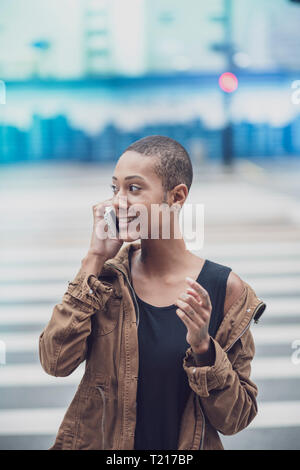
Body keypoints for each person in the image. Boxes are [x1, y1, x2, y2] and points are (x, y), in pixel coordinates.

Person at [39, 135, 266, 450]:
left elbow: (236, 419)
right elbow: (55, 361)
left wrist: (203, 348)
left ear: (176, 196)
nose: (119, 201)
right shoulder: (104, 278)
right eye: (114, 188)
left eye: (134, 188)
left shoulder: (224, 289)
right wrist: (93, 258)